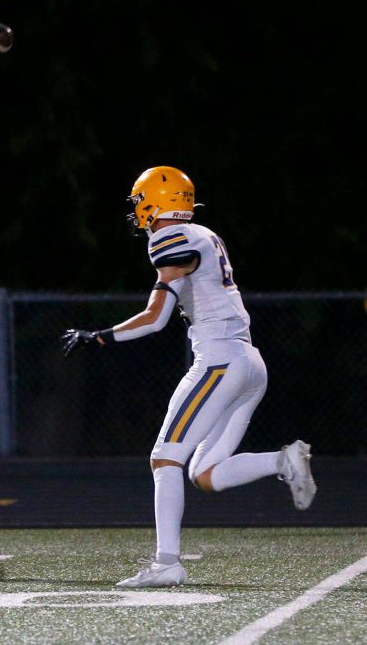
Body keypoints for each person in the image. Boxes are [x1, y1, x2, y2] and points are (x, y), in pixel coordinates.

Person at [61, 165, 316, 588]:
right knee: (204, 473)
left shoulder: (170, 237)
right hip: (249, 362)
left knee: (165, 458)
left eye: (139, 201)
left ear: (154, 201)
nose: (136, 210)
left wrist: (100, 336)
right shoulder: (203, 234)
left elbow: (155, 317)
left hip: (220, 360)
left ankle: (167, 563)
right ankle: (282, 461)